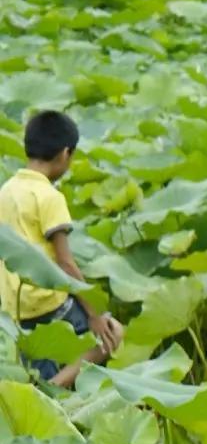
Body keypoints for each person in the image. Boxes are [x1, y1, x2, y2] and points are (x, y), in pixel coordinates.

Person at [0, 109, 124, 389]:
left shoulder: (6, 191)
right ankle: (56, 388)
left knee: (37, 369)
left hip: (16, 308)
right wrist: (94, 314)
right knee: (110, 335)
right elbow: (65, 264)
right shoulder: (49, 196)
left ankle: (47, 392)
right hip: (48, 302)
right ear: (65, 153)